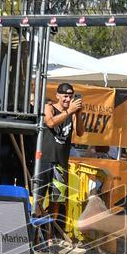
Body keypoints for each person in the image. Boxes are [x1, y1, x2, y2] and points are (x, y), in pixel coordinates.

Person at [38, 83, 85, 239]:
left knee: (56, 200)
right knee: (39, 198)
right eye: (65, 96)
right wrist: (69, 111)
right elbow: (50, 122)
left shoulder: (72, 112)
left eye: (70, 96)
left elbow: (80, 132)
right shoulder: (49, 107)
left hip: (61, 162)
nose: (68, 99)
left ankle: (49, 236)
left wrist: (78, 113)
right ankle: (35, 235)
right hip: (45, 159)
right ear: (57, 95)